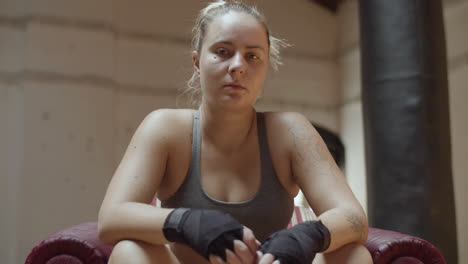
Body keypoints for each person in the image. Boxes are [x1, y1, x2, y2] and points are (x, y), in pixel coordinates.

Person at [97, 1, 373, 263]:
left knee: (354, 256)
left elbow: (353, 217)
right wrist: (185, 222)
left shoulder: (290, 131)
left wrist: (307, 235)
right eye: (223, 52)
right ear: (197, 61)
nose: (238, 66)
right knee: (128, 253)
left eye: (252, 56)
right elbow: (111, 218)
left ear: (266, 68)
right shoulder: (165, 128)